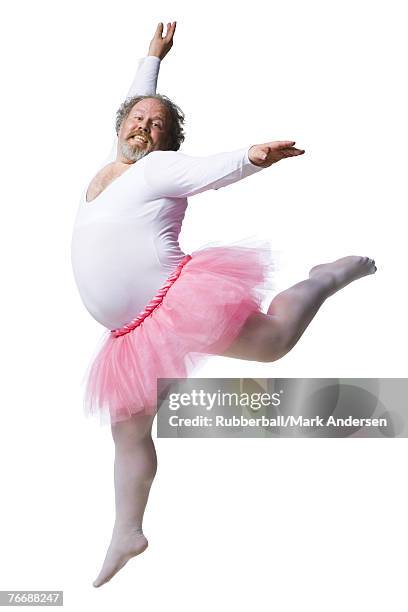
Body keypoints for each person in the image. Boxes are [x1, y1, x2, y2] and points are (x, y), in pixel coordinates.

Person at [70, 22, 376, 587]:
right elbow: (140, 97)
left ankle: (326, 277)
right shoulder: (106, 170)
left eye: (157, 125)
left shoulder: (160, 168)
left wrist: (254, 155)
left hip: (175, 301)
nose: (144, 125)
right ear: (120, 126)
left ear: (165, 142)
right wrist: (152, 56)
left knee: (274, 344)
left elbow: (214, 170)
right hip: (130, 335)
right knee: (129, 430)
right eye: (137, 118)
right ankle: (127, 532)